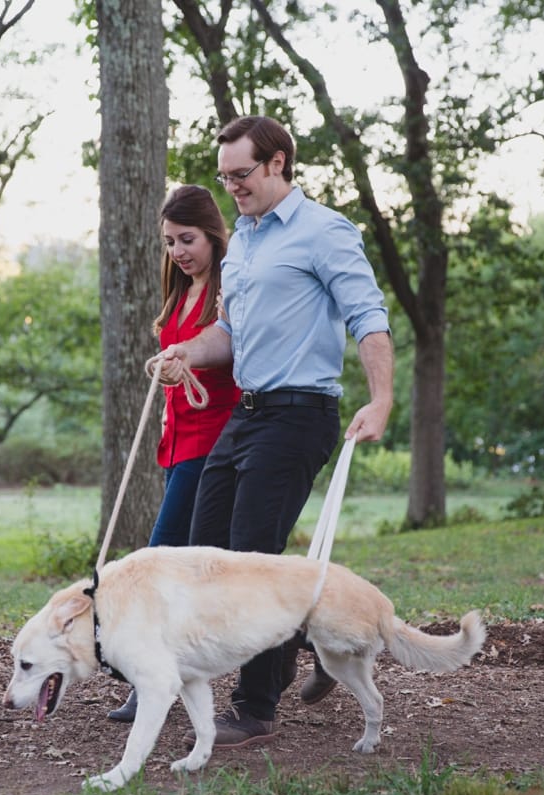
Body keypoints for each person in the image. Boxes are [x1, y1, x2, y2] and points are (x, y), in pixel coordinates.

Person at [156, 115, 394, 748]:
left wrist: (382, 398)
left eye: (242, 174)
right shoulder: (247, 241)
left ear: (278, 163)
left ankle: (256, 707)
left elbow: (367, 315)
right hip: (248, 414)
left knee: (254, 558)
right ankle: (306, 645)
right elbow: (228, 336)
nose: (232, 186)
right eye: (224, 176)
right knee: (204, 552)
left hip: (301, 414)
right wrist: (186, 351)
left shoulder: (324, 231)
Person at [108, 184, 241, 723]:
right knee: (208, 571)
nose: (179, 251)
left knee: (158, 562)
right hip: (176, 442)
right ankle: (306, 637)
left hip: (212, 444)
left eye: (187, 239)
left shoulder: (229, 287)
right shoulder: (179, 292)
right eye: (169, 243)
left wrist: (188, 358)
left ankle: (149, 681)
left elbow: (233, 349)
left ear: (212, 233)